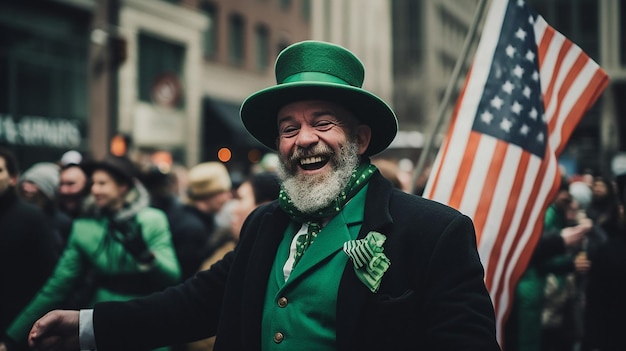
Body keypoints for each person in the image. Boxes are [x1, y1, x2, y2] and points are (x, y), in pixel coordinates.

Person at [27, 40, 499, 351]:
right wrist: (87, 325)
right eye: (288, 128)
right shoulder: (264, 224)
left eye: (323, 123)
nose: (304, 139)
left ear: (359, 140)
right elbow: (194, 304)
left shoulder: (435, 233)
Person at [1, 154, 181, 351]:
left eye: (103, 183)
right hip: (102, 321)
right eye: (93, 183)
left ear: (123, 187)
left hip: (146, 317)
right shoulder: (85, 226)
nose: (95, 190)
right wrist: (13, 336)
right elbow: (57, 285)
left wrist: (147, 257)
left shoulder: (152, 220)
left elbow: (172, 276)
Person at [187, 171, 281, 351]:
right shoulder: (228, 244)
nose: (232, 208)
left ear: (264, 206)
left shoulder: (261, 259)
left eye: (240, 199)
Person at [0, 148, 61, 351]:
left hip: (18, 329)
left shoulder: (33, 218)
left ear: (13, 178)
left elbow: (49, 281)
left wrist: (14, 336)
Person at [18, 162, 73, 248]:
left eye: (33, 183)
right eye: (26, 182)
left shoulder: (62, 223)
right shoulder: (13, 215)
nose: (26, 188)